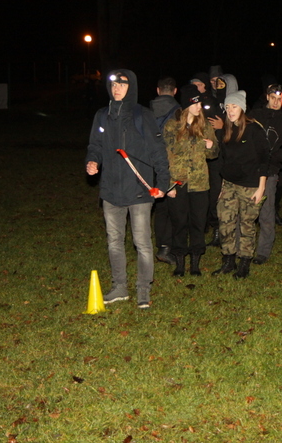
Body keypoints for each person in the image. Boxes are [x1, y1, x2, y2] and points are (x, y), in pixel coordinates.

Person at [85, 70, 171, 308]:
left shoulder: (142, 115)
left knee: (142, 243)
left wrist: (162, 183)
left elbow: (158, 150)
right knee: (114, 241)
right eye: (113, 84)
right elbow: (95, 145)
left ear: (131, 87)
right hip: (111, 191)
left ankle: (143, 289)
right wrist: (92, 161)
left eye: (122, 84)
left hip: (139, 190)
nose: (117, 88)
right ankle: (119, 287)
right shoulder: (102, 116)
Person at [163, 84, 219, 277]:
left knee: (198, 223)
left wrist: (211, 146)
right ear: (187, 105)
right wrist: (168, 184)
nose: (199, 107)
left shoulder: (205, 125)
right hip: (178, 182)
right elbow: (166, 155)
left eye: (200, 103)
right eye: (195, 103)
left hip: (200, 183)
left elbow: (214, 154)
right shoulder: (172, 126)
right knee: (179, 223)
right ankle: (180, 263)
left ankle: (195, 263)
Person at [213, 90, 269, 279]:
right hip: (229, 183)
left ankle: (244, 262)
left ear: (242, 108)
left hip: (250, 185)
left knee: (246, 224)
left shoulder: (254, 129)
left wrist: (261, 187)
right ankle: (228, 260)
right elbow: (224, 160)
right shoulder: (226, 130)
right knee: (225, 221)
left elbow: (264, 159)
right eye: (228, 107)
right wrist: (222, 186)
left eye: (234, 106)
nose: (230, 110)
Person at [250, 84, 282, 264]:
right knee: (245, 212)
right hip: (250, 170)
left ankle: (263, 251)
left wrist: (274, 157)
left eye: (279, 99)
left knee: (266, 213)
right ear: (267, 97)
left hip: (270, 172)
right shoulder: (255, 115)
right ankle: (242, 248)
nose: (276, 102)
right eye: (273, 98)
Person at [149, 76, 181, 266]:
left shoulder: (146, 111)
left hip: (150, 163)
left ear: (158, 90)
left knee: (158, 207)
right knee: (171, 208)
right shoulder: (178, 112)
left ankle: (160, 244)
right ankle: (167, 247)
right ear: (175, 91)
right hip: (169, 163)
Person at [205, 73, 239, 248]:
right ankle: (217, 230)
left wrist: (223, 126)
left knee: (231, 197)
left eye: (221, 85)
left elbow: (241, 129)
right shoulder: (213, 103)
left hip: (232, 158)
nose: (218, 87)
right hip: (215, 158)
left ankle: (231, 232)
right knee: (215, 194)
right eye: (216, 85)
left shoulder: (237, 104)